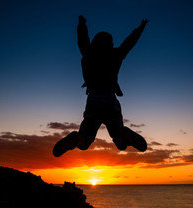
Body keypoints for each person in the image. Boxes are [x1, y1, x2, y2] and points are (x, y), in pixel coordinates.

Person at [53, 16, 148, 157]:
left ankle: (78, 138)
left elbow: (82, 40)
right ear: (111, 43)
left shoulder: (88, 53)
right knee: (119, 142)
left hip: (93, 99)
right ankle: (121, 134)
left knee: (85, 140)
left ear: (94, 43)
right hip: (110, 98)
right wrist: (140, 28)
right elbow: (130, 42)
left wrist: (82, 24)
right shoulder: (116, 54)